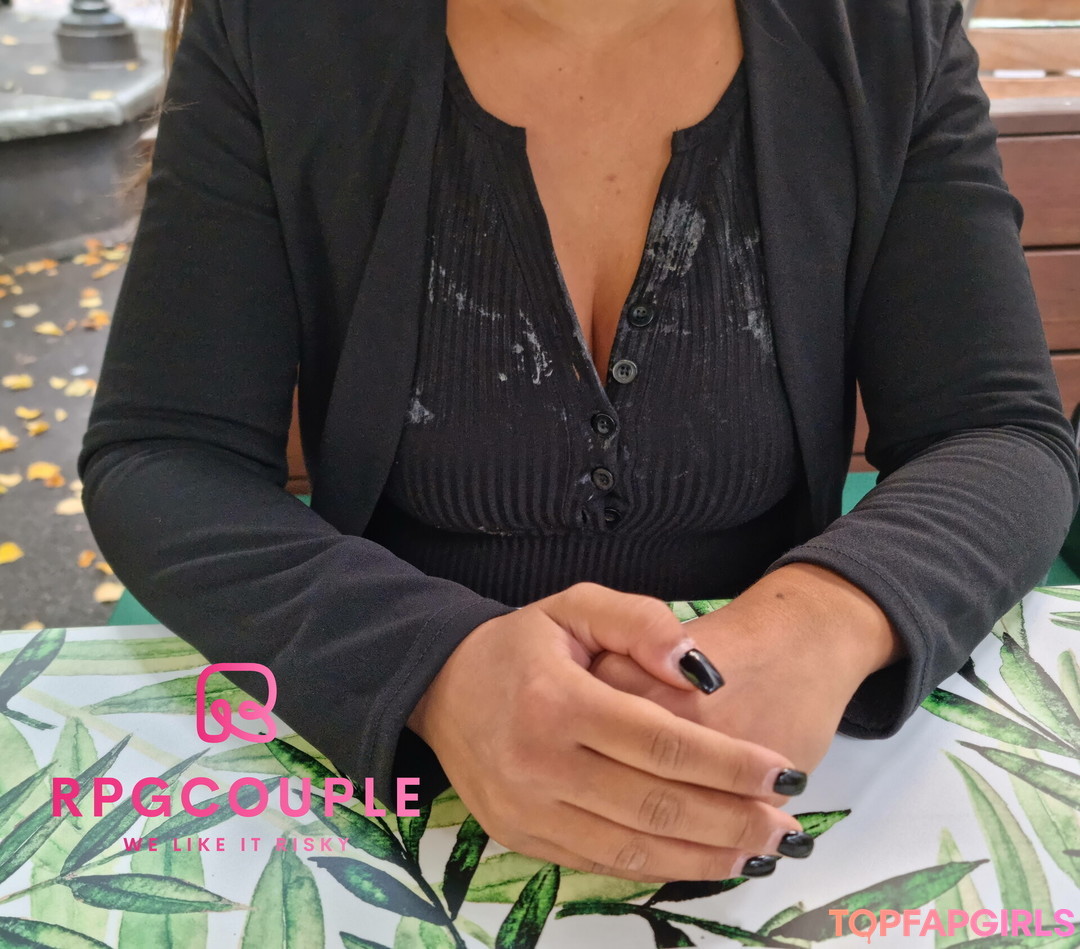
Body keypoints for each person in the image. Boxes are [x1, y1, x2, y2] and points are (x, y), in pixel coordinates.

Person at [79, 0, 1080, 885]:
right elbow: (165, 454)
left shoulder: (883, 28)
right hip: (400, 787)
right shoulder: (275, 28)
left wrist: (823, 622)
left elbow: (999, 431)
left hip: (769, 782)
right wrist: (432, 666)